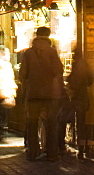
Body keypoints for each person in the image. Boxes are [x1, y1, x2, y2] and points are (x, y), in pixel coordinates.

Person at [18, 27, 64, 162]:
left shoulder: (28, 54)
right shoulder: (52, 52)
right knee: (51, 124)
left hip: (33, 94)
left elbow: (23, 75)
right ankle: (51, 153)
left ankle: (33, 152)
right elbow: (58, 71)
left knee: (32, 124)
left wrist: (27, 88)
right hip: (50, 95)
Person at [66, 47, 94, 159]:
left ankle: (81, 147)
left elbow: (74, 81)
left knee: (79, 122)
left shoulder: (77, 65)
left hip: (78, 97)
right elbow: (90, 79)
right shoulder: (86, 64)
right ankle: (84, 146)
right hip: (84, 96)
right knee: (83, 122)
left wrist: (69, 82)